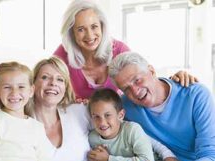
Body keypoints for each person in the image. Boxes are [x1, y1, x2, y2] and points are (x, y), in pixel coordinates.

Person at [32, 56, 191, 161]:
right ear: (32, 84)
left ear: (65, 86)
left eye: (60, 79)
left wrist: (166, 153)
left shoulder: (77, 111)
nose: (53, 83)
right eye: (45, 77)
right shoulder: (25, 131)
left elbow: (127, 127)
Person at [109, 51, 215, 161]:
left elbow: (211, 158)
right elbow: (100, 113)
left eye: (137, 80)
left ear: (151, 71)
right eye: (126, 89)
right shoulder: (125, 107)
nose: (135, 91)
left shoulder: (196, 95)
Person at [54, 0, 196, 102]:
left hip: (118, 121)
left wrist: (174, 82)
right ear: (71, 32)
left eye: (94, 26)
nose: (90, 35)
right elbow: (48, 84)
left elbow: (145, 79)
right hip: (81, 121)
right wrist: (71, 103)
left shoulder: (119, 49)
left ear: (102, 26)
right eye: (80, 29)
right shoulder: (62, 54)